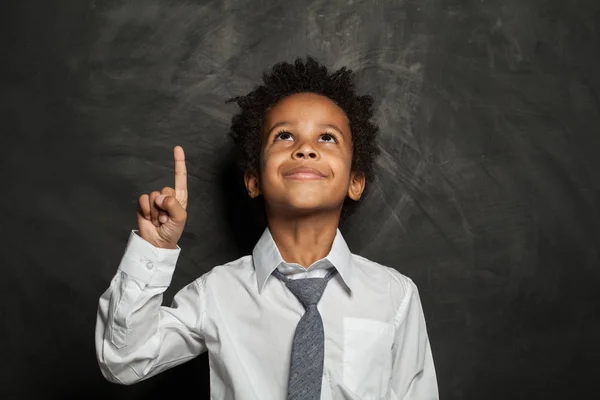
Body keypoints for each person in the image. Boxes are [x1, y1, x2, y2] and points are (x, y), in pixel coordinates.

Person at [95, 56, 438, 399]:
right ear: (254, 180)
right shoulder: (218, 292)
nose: (305, 149)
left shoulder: (395, 296)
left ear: (356, 182)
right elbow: (123, 360)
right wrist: (155, 249)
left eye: (327, 138)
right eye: (285, 136)